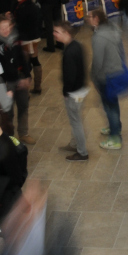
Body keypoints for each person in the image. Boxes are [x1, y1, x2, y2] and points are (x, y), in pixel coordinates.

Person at [0, 16, 34, 144]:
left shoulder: (15, 36)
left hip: (20, 78)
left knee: (23, 106)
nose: (6, 30)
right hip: (5, 82)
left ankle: (24, 133)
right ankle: (9, 135)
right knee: (8, 111)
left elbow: (21, 55)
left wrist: (27, 74)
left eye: (8, 27)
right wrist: (7, 82)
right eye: (3, 28)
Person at [89, 9, 126, 151]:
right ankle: (116, 127)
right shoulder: (113, 29)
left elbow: (98, 61)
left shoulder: (99, 37)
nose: (88, 19)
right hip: (116, 71)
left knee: (109, 106)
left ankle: (115, 138)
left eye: (90, 16)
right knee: (113, 103)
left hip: (106, 75)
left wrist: (94, 77)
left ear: (96, 18)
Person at [53, 22, 90, 161]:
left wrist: (66, 93)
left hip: (74, 93)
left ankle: (82, 152)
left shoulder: (69, 52)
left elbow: (70, 76)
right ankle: (74, 144)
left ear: (67, 33)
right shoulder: (77, 45)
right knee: (77, 119)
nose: (54, 34)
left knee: (76, 122)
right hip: (81, 90)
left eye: (57, 31)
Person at [13, 0, 43, 93]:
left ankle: (26, 90)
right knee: (35, 60)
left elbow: (19, 25)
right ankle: (38, 86)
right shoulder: (35, 6)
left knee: (24, 64)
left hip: (25, 39)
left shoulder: (21, 8)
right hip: (35, 37)